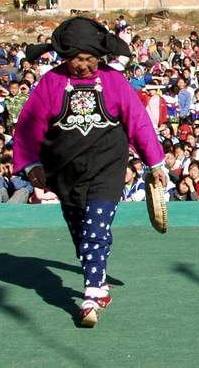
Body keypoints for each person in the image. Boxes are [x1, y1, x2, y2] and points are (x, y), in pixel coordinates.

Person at [14, 17, 167, 327]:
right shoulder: (51, 83)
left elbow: (138, 122)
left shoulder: (114, 82)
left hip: (107, 166)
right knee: (80, 231)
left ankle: (91, 294)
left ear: (100, 56)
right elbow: (28, 127)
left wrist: (156, 163)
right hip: (64, 169)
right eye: (75, 59)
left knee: (95, 230)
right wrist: (32, 164)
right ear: (63, 57)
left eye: (89, 59)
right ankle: (97, 278)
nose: (83, 65)